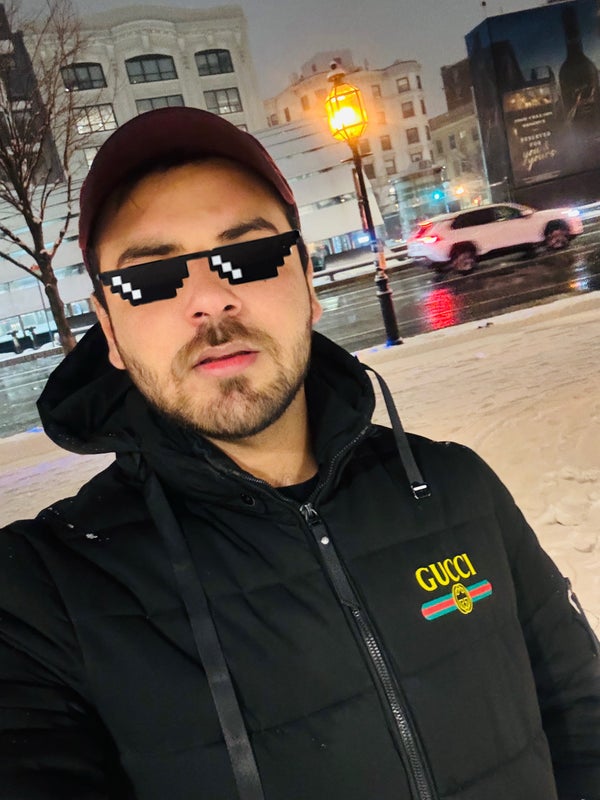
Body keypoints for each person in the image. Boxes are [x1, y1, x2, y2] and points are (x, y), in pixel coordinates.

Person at [0, 107, 598, 800]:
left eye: (250, 256)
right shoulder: (43, 596)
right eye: (152, 276)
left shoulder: (457, 487)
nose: (210, 300)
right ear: (108, 328)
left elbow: (581, 720)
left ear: (308, 283)